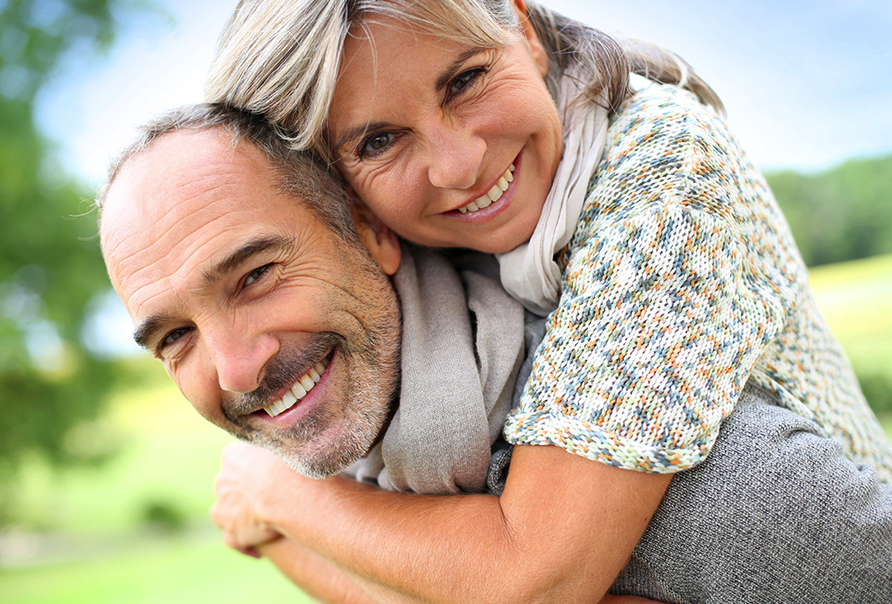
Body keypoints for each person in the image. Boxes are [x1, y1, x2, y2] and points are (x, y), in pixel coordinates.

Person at [99, 103, 892, 604]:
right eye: (175, 337)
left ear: (369, 231)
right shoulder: (371, 477)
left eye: (257, 274)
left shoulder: (686, 465)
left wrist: (276, 502)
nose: (236, 368)